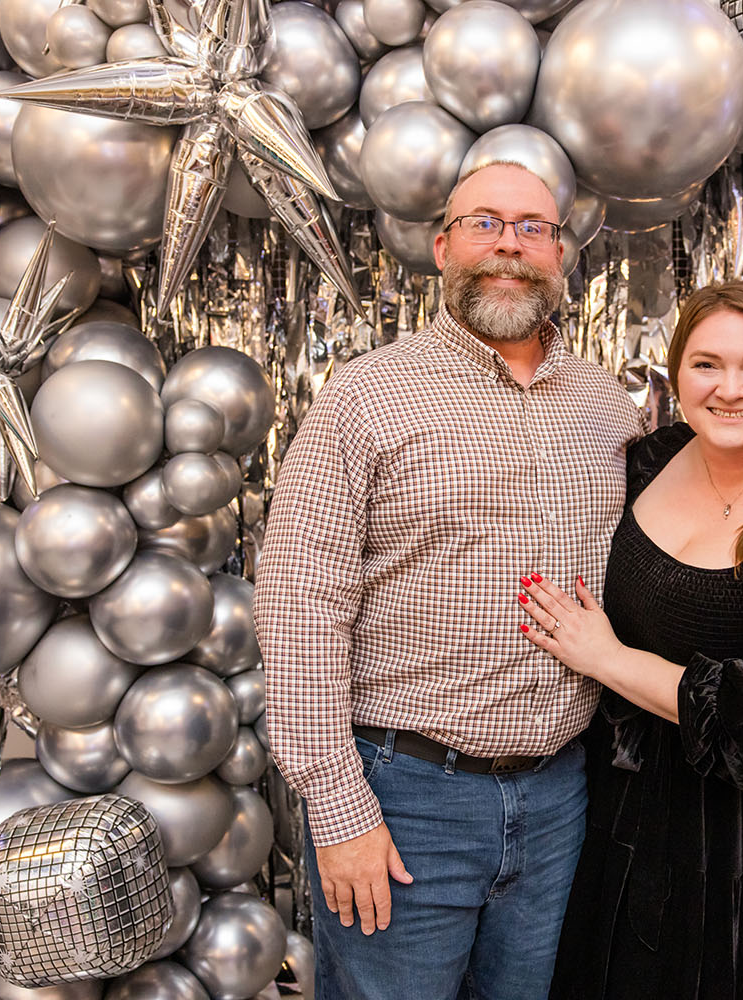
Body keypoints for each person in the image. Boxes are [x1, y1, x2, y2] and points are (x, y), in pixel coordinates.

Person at [253, 161, 643, 1000]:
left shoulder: (606, 407)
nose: (509, 245)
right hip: (403, 800)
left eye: (533, 227)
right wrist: (339, 807)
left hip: (560, 801)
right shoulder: (368, 395)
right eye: (484, 223)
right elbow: (299, 604)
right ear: (441, 248)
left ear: (561, 254)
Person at [519, 279, 743, 999]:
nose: (729, 389)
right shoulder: (653, 457)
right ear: (677, 371)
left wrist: (608, 659)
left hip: (732, 851)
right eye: (707, 363)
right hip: (607, 815)